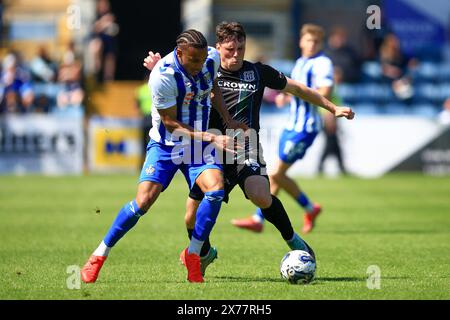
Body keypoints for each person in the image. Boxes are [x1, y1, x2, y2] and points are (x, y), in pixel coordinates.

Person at [144, 22, 354, 276]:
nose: (235, 54)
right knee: (190, 215)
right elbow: (175, 78)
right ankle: (205, 252)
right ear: (217, 47)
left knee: (261, 195)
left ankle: (294, 241)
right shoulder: (205, 69)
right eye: (230, 49)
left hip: (246, 145)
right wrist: (158, 67)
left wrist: (333, 108)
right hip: (210, 148)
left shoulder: (257, 72)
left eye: (240, 48)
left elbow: (296, 88)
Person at [81, 29, 245, 284]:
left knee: (215, 190)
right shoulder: (162, 75)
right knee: (143, 202)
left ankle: (193, 253)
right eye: (193, 61)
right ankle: (99, 255)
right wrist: (214, 137)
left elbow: (213, 88)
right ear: (179, 53)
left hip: (197, 147)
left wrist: (227, 119)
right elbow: (170, 124)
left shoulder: (210, 59)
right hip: (166, 147)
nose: (199, 66)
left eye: (202, 60)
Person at [232, 23, 340, 234]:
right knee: (276, 174)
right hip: (291, 125)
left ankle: (302, 209)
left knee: (275, 173)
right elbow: (294, 88)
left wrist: (301, 96)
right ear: (301, 41)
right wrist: (286, 97)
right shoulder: (300, 63)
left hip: (305, 127)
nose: (311, 45)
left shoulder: (322, 63)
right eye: (308, 40)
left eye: (316, 41)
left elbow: (326, 89)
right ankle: (268, 217)